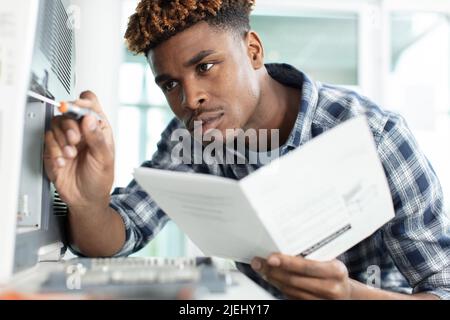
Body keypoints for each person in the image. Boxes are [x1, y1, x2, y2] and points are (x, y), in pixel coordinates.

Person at [44, 0, 450, 299]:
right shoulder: (192, 138)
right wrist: (87, 201)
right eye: (170, 84)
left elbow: (441, 288)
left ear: (253, 50)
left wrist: (347, 294)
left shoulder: (374, 134)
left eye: (205, 67)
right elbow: (121, 234)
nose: (190, 98)